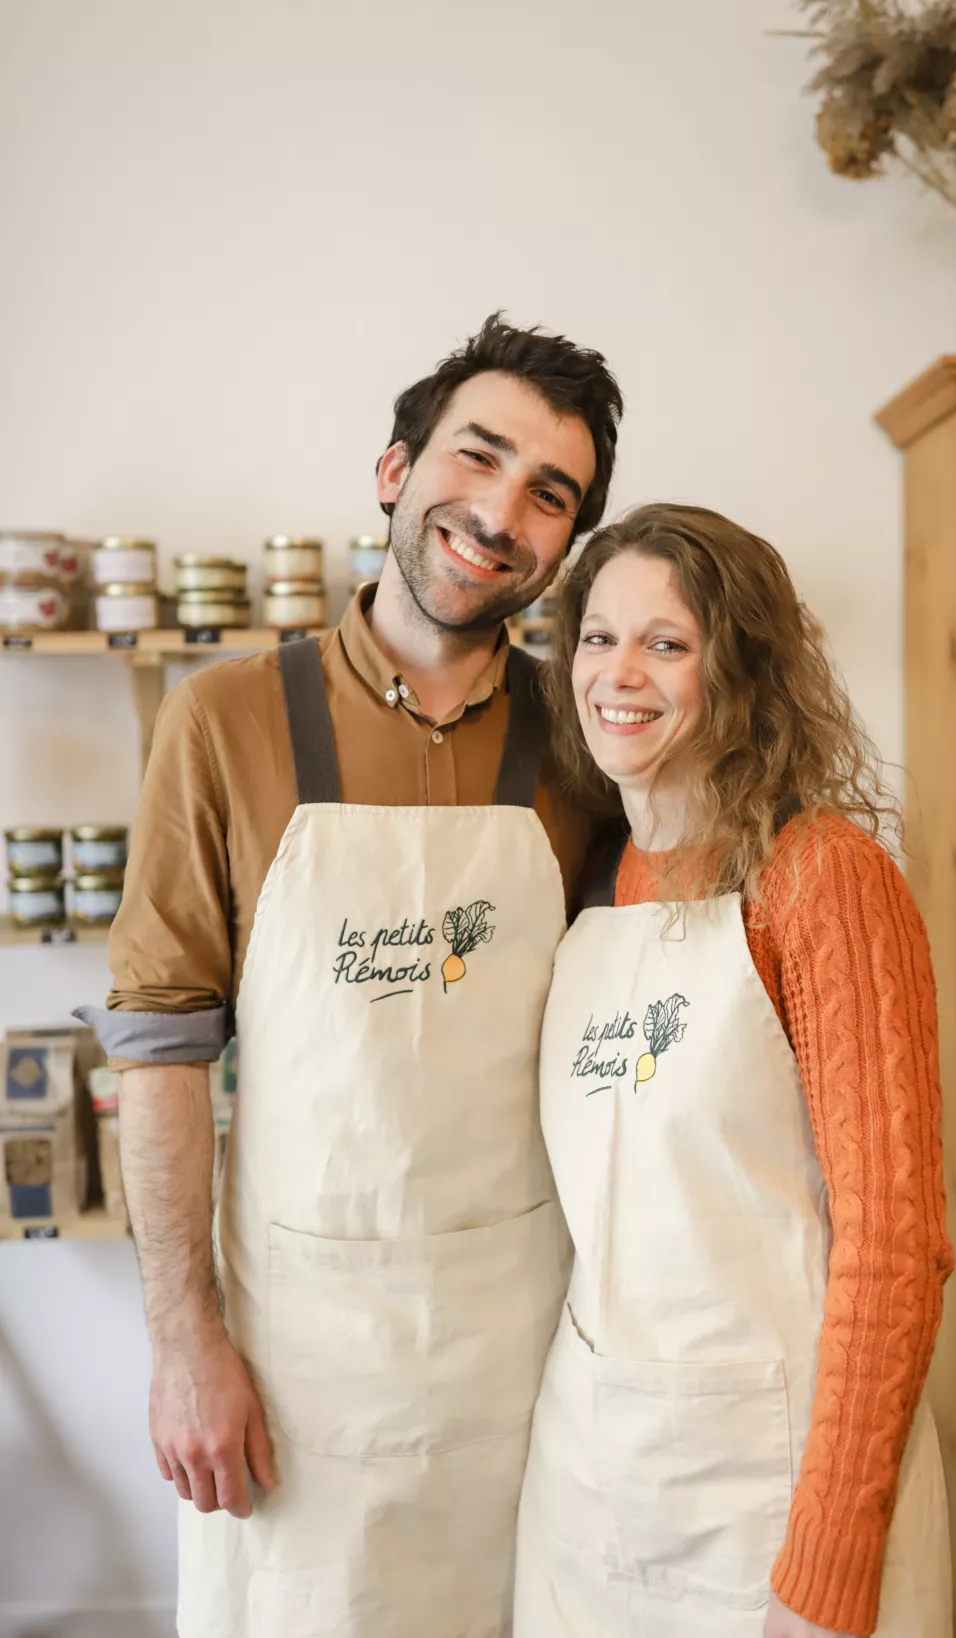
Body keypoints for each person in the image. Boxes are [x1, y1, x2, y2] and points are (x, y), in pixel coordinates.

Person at [75, 314, 623, 1638]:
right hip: (294, 1369)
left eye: (547, 494)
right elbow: (158, 1049)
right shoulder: (224, 720)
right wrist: (182, 1343)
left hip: (525, 1350)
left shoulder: (586, 736)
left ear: (566, 547)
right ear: (393, 467)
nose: (497, 513)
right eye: (475, 456)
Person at [513, 503, 955, 1638]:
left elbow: (896, 1245)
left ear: (743, 669)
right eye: (598, 637)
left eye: (667, 643)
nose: (620, 673)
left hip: (773, 1500)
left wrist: (830, 1562)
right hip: (593, 1490)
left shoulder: (823, 883)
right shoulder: (589, 890)